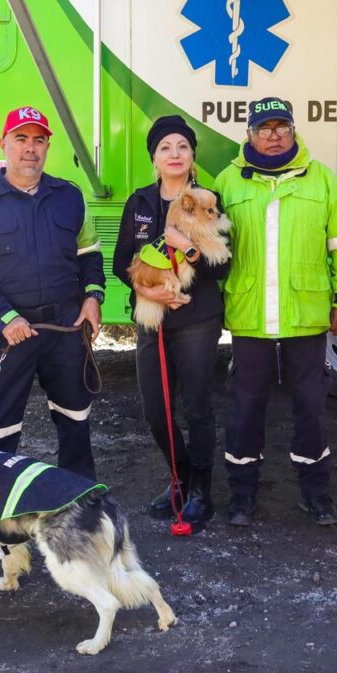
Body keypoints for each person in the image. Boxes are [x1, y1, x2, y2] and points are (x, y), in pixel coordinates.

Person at [215, 97, 337, 527]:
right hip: (249, 314)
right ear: (249, 135)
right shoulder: (227, 182)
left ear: (294, 131)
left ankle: (316, 492)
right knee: (245, 406)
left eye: (282, 127)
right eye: (265, 128)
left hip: (307, 313)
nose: (274, 136)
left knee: (311, 405)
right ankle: (242, 494)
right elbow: (211, 249)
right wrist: (218, 299)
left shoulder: (323, 181)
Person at [0, 106, 104, 479]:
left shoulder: (70, 196)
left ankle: (78, 501)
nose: (30, 148)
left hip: (65, 329)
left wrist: (93, 298)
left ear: (48, 146)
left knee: (75, 419)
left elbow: (90, 253)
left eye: (39, 140)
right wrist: (6, 317)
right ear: (3, 144)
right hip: (5, 334)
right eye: (21, 139)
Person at [113, 115, 229, 531]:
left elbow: (223, 268)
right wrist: (147, 291)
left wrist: (191, 251)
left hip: (197, 318)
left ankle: (201, 489)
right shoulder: (140, 203)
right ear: (154, 158)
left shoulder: (208, 199)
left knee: (197, 407)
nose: (174, 154)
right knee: (156, 410)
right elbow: (118, 262)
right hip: (151, 320)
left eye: (182, 146)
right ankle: (178, 478)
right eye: (165, 148)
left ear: (192, 155)